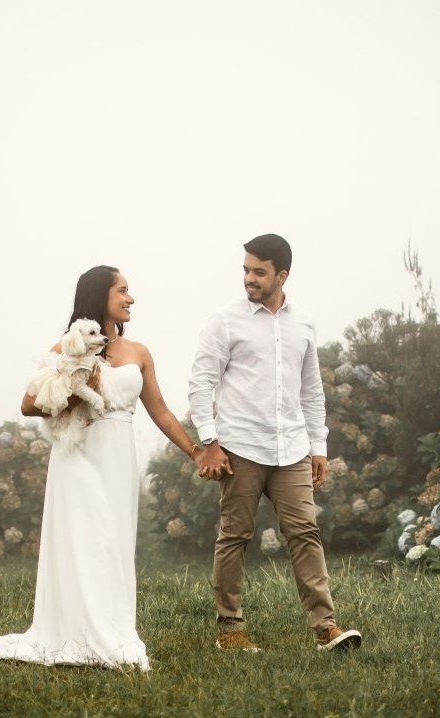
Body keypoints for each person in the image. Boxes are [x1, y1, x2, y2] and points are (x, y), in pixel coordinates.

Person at [0, 265, 202, 670]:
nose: (130, 298)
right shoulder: (68, 347)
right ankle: (76, 633)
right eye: (122, 290)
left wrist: (196, 452)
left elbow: (161, 412)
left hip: (118, 458)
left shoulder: (139, 353)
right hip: (78, 454)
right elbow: (28, 405)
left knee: (113, 544)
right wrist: (79, 389)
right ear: (100, 296)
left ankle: (113, 629)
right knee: (86, 539)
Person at [189, 234, 363, 653]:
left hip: (293, 449)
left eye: (259, 272)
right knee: (235, 535)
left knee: (305, 532)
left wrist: (318, 447)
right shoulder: (225, 320)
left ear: (282, 276)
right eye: (246, 270)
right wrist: (209, 441)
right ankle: (230, 631)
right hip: (240, 447)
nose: (249, 278)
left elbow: (312, 390)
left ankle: (326, 628)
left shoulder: (303, 323)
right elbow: (201, 382)